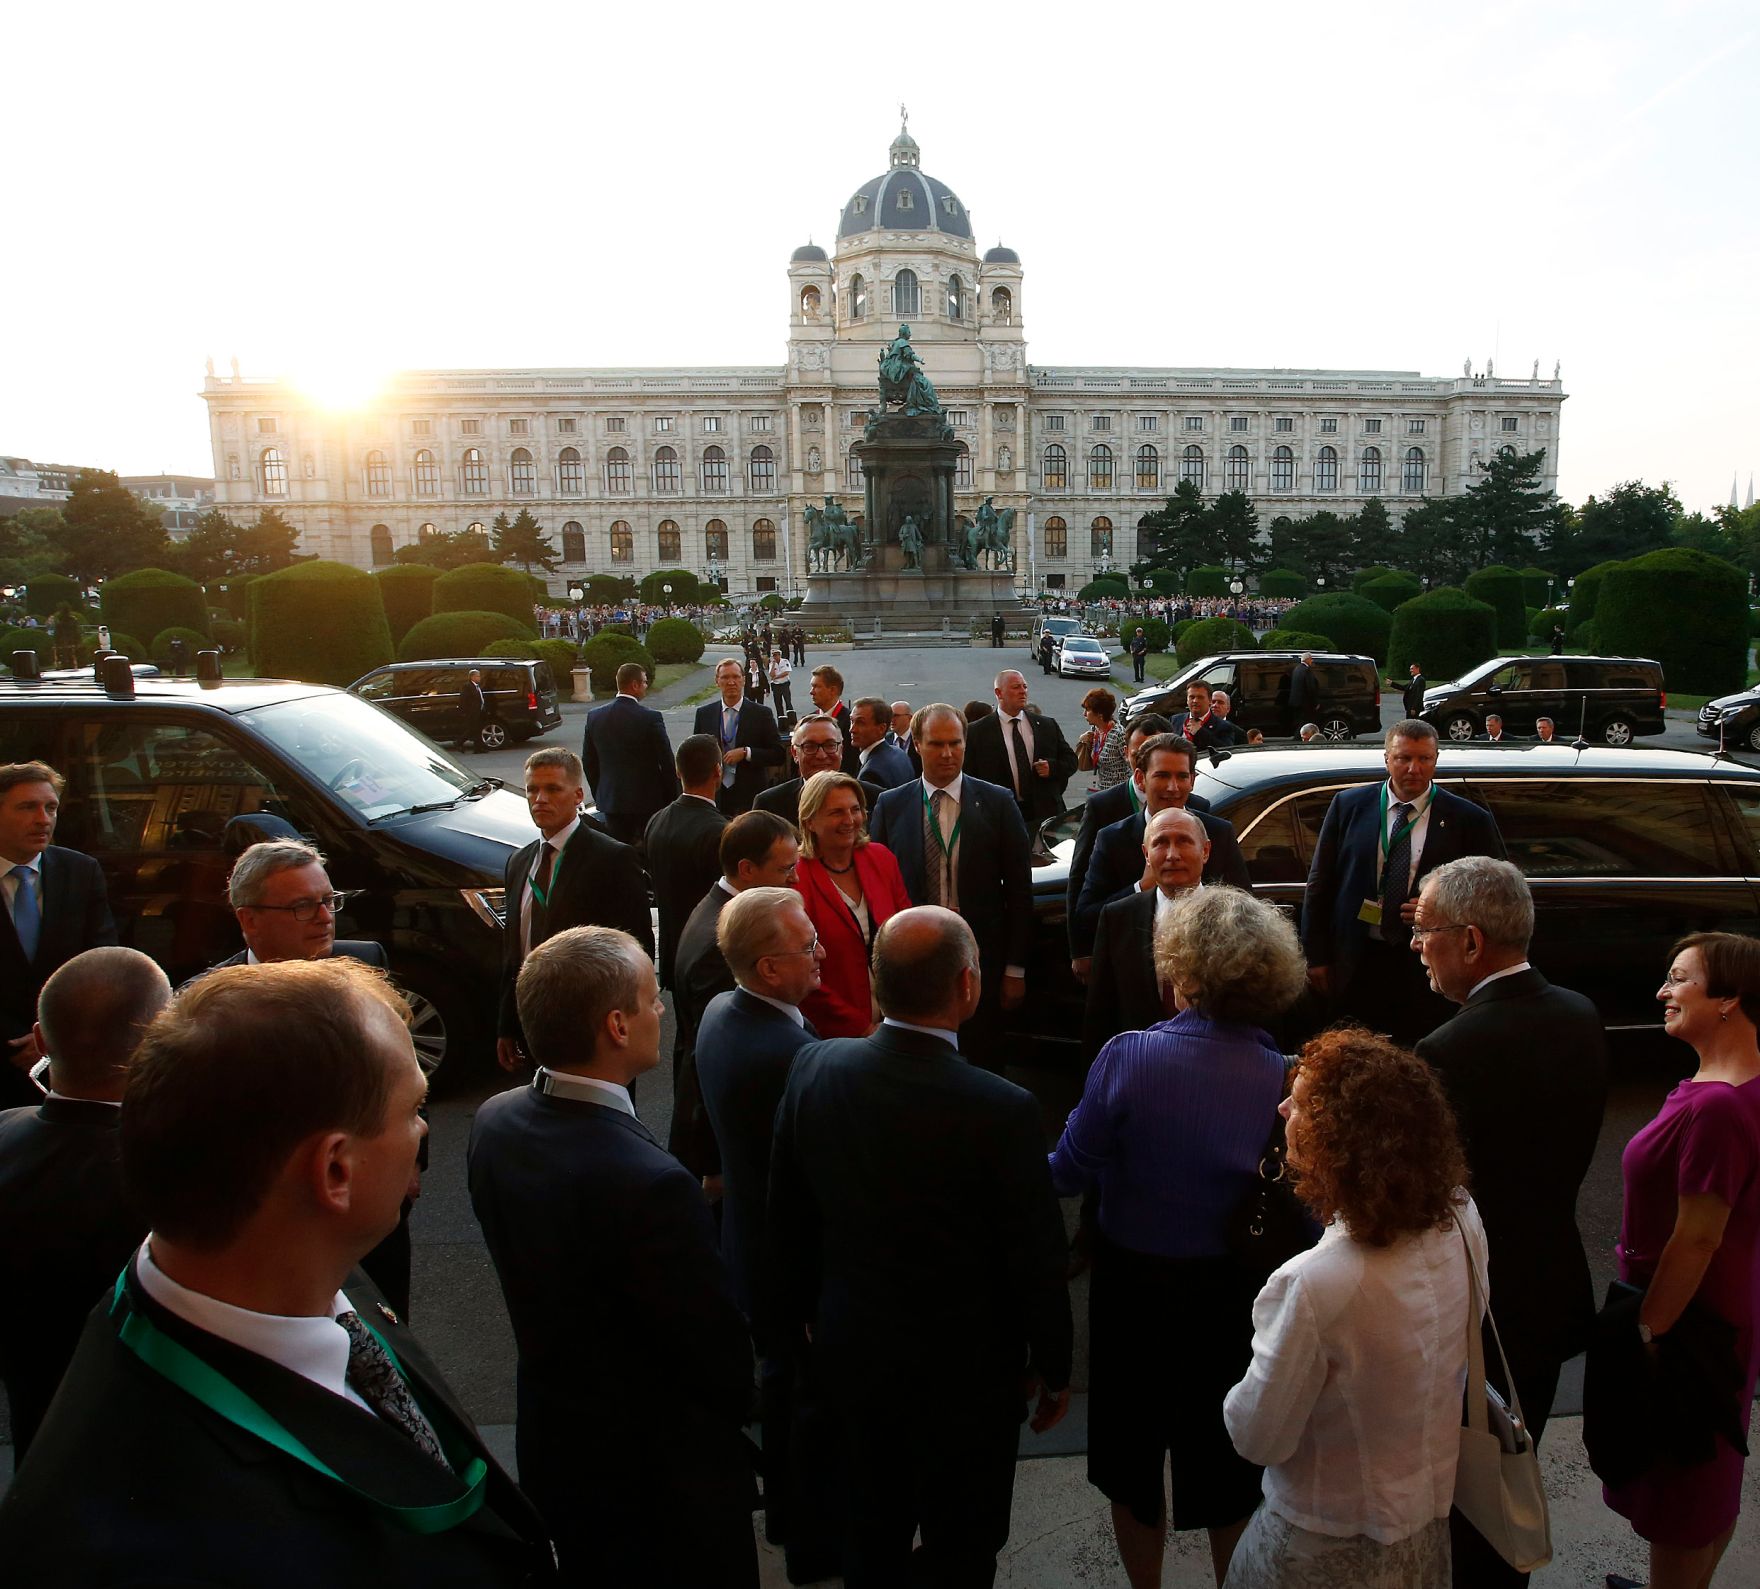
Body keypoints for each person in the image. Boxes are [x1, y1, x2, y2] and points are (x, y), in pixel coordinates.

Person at [0, 958, 556, 1586]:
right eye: (413, 1108)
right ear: (335, 1172)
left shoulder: (303, 1266)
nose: (424, 1129)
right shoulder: (135, 1550)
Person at [769, 906, 1073, 1586]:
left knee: (869, 1533)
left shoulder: (814, 1066)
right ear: (968, 985)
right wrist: (1055, 1365)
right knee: (962, 1547)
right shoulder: (1004, 1108)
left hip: (851, 1360)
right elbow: (1035, 1258)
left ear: (876, 984)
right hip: (968, 1385)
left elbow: (784, 1220)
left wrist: (798, 1334)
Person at [468, 927, 755, 1588]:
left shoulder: (495, 1121)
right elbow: (714, 1355)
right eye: (654, 1000)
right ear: (617, 1025)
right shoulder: (651, 1182)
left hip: (555, 1448)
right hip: (662, 1483)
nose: (663, 1011)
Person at [1053, 887, 1310, 1588]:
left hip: (1133, 1291)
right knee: (1230, 1469)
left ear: (1182, 974)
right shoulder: (1287, 1077)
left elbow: (1068, 1170)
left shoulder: (1128, 1056)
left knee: (1133, 1466)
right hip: (1236, 1296)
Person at [1223, 1028, 1487, 1589]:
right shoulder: (1462, 1218)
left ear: (1337, 1139)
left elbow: (1257, 1438)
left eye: (1301, 1101)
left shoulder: (1316, 1284)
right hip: (1423, 1536)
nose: (1282, 1106)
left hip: (1319, 1551)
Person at [1410, 856, 1608, 1588]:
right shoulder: (1581, 1014)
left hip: (1473, 1315)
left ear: (1469, 941)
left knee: (1466, 1515)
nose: (1413, 942)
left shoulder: (1449, 1049)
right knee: (1511, 1486)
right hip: (1550, 1294)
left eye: (1423, 928)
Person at [1600, 933, 1760, 1589]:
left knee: (1685, 1494)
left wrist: (1648, 1330)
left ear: (1728, 999)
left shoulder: (1719, 1106)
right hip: (1711, 1313)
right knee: (1707, 1473)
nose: (1662, 991)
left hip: (1688, 1321)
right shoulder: (1722, 1085)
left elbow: (1697, 1238)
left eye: (1678, 979)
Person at [696, 889, 835, 1577]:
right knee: (803, 1408)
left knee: (782, 1396)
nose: (824, 952)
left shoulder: (723, 1011)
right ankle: (812, 1547)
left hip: (749, 1246)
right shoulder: (788, 1052)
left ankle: (786, 1519)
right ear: (769, 968)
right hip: (791, 1268)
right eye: (808, 945)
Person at [0, 947, 167, 1458]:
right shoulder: (176, 1171)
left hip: (38, 1441)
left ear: (41, 1039)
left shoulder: (5, 1133)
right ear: (159, 1042)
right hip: (152, 1450)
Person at [1300, 719, 1506, 1045]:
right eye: (1403, 758)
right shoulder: (1348, 806)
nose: (1414, 768)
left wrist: (1440, 909)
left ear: (1436, 759)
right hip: (1356, 959)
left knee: (1418, 1055)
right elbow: (1320, 884)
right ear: (1386, 759)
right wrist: (1317, 957)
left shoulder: (1468, 820)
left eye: (1424, 759)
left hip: (1428, 965)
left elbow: (1493, 894)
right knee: (1354, 1053)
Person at [867, 704, 1033, 1073]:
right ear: (917, 746)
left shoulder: (997, 802)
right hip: (912, 961)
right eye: (936, 744)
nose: (947, 753)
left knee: (982, 1059)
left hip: (979, 962)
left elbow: (1020, 890)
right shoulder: (891, 805)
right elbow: (876, 890)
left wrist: (1015, 969)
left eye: (955, 743)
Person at [497, 749, 653, 1073]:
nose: (540, 799)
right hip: (535, 1025)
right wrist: (507, 1022)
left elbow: (636, 950)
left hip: (593, 1031)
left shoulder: (612, 859)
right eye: (532, 790)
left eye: (553, 789)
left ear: (578, 795)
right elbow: (514, 951)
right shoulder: (519, 863)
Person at [671, 810, 801, 1179]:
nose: (794, 878)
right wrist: (712, 1163)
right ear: (747, 870)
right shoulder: (723, 941)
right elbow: (711, 1051)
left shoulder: (718, 909)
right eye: (784, 869)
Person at [1, 761, 117, 1110]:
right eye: (27, 807)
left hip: (65, 1056)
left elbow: (100, 961)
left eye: (50, 808)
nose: (43, 819)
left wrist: (50, 1035)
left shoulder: (79, 871)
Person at [1074, 735, 1252, 948]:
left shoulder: (1219, 833)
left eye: (1182, 776)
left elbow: (1245, 909)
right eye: (1162, 776)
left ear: (1192, 780)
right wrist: (1140, 888)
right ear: (1140, 779)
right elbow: (1086, 916)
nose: (1173, 787)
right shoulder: (1112, 839)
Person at [792, 770, 913, 1038]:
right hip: (833, 1032)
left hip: (895, 1020)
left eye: (855, 809)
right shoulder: (795, 880)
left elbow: (907, 935)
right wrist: (860, 1028)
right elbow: (801, 972)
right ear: (809, 821)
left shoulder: (881, 859)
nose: (849, 820)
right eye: (836, 812)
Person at [1081, 807, 1204, 1063]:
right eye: (1160, 843)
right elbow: (1100, 1015)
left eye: (1183, 841)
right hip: (1138, 1069)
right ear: (1146, 855)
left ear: (1205, 851)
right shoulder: (1117, 918)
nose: (1172, 855)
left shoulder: (1237, 916)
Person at [1065, 713, 1176, 978]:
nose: (1148, 760)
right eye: (1140, 753)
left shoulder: (1196, 806)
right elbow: (1079, 876)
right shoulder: (1103, 806)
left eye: (1157, 751)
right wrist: (1079, 949)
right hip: (1123, 941)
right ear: (1127, 754)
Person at [202, 839, 385, 974]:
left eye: (328, 900)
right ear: (250, 920)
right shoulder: (204, 1001)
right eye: (303, 906)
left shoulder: (365, 961)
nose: (326, 917)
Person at [644, 733, 726, 992]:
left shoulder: (656, 820)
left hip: (672, 951)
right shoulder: (719, 831)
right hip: (708, 958)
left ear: (678, 772)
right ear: (718, 771)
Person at [964, 668, 1078, 833]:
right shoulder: (977, 732)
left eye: (1024, 686)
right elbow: (968, 776)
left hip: (1045, 816)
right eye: (1016, 687)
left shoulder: (1046, 725)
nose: (1023, 691)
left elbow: (1071, 761)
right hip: (999, 817)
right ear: (999, 692)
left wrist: (1052, 768)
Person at [581, 660, 677, 849]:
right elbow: (666, 762)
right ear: (634, 685)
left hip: (612, 801)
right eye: (644, 682)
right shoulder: (650, 718)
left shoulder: (595, 716)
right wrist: (671, 798)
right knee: (650, 852)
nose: (646, 686)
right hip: (648, 802)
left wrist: (601, 793)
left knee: (617, 854)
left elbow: (589, 761)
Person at [693, 656, 787, 815]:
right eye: (725, 677)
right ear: (717, 681)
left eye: (736, 677)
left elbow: (778, 754)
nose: (731, 682)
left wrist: (746, 753)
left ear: (744, 680)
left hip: (750, 797)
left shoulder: (761, 714)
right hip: (716, 796)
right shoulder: (704, 714)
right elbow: (696, 755)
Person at [756, 711, 846, 829]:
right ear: (794, 753)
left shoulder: (871, 798)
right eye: (810, 747)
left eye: (830, 745)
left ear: (841, 750)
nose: (821, 755)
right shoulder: (769, 805)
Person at [847, 695, 914, 791]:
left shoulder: (870, 773)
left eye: (860, 723)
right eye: (852, 721)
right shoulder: (900, 753)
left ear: (881, 728)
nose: (852, 729)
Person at [808, 664, 861, 776]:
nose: (811, 692)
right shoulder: (808, 721)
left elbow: (851, 765)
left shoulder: (851, 724)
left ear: (832, 690)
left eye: (816, 687)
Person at [1077, 687, 1130, 792]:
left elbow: (1131, 766)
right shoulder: (1095, 730)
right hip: (1098, 788)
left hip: (1117, 793)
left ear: (1099, 714)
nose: (1084, 714)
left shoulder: (1118, 735)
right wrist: (1084, 741)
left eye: (1087, 710)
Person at [1169, 680, 1230, 751]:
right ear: (1187, 700)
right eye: (1192, 697)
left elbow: (1225, 751)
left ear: (1210, 700)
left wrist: (1200, 732)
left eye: (1200, 697)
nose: (1195, 701)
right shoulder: (1175, 720)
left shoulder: (1224, 726)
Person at [455, 666, 487, 751]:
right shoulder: (467, 686)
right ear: (472, 677)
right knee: (471, 729)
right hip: (471, 712)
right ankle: (459, 742)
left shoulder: (477, 686)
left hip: (478, 711)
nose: (479, 678)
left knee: (477, 730)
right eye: (478, 676)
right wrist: (465, 711)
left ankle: (478, 748)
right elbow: (464, 699)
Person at [1287, 653, 1320, 732]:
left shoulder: (1297, 669)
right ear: (1307, 659)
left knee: (1299, 721)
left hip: (1295, 702)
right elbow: (1311, 688)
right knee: (1305, 723)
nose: (1312, 661)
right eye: (1311, 659)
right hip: (1305, 702)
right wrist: (1315, 703)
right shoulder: (1306, 670)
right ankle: (1298, 739)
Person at [768, 647, 794, 717]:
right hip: (776, 685)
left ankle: (791, 717)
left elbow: (786, 672)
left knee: (788, 701)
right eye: (774, 655)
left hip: (784, 684)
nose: (775, 657)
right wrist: (773, 664)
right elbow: (771, 674)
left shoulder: (785, 661)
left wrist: (776, 677)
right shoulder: (771, 663)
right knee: (778, 703)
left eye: (776, 655)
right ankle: (781, 718)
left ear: (780, 655)